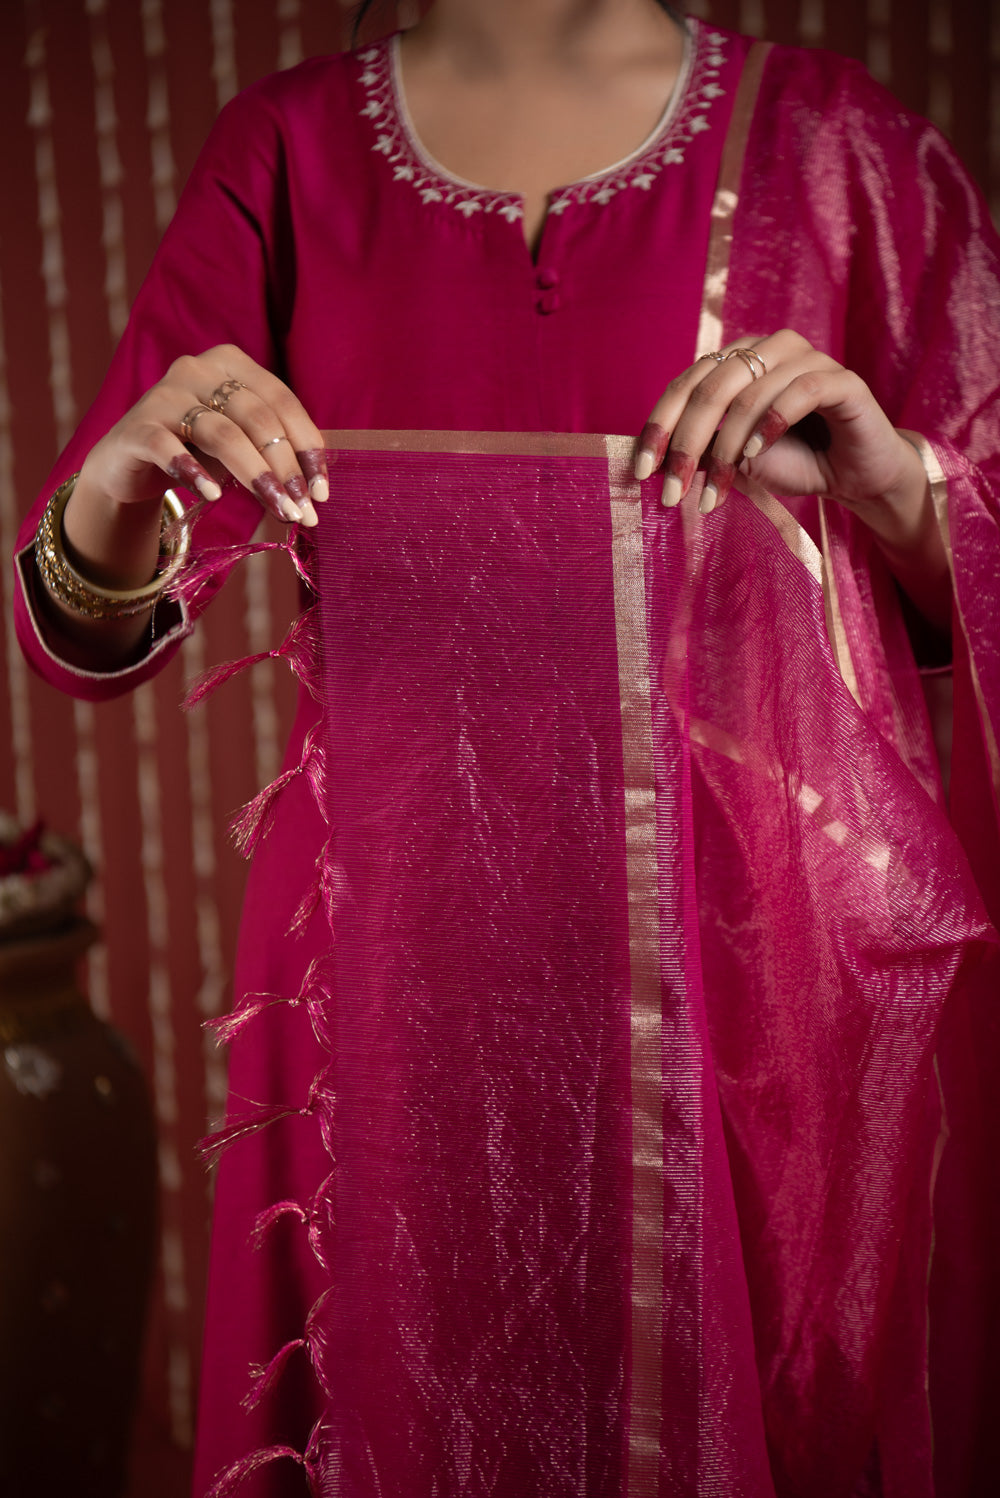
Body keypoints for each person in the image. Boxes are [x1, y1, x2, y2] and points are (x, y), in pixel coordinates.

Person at [12, 1, 1000, 1494]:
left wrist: (896, 483)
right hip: (387, 941)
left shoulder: (842, 149)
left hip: (737, 961)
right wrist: (122, 472)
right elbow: (90, 626)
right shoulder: (285, 153)